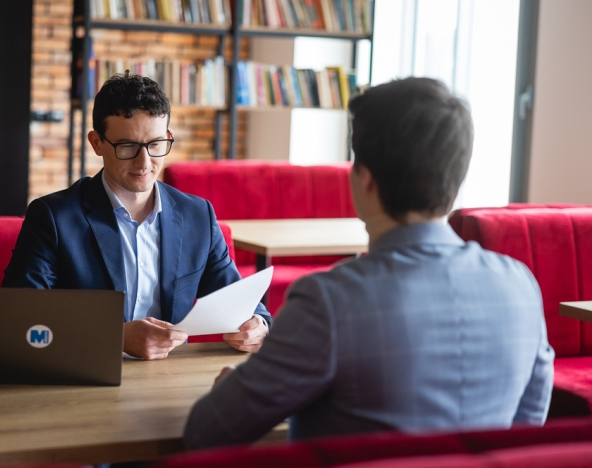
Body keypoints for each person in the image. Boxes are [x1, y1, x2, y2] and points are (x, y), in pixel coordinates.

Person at [183, 77, 554, 448]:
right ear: (456, 178)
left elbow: (207, 431)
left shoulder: (328, 301)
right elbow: (526, 428)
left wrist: (234, 386)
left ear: (365, 179)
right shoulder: (520, 285)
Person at [2, 72, 272, 360]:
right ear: (97, 143)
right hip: (86, 372)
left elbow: (239, 300)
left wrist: (258, 325)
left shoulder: (197, 215)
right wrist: (115, 336)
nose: (144, 163)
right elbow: (18, 316)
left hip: (168, 380)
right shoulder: (54, 218)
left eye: (156, 144)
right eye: (127, 146)